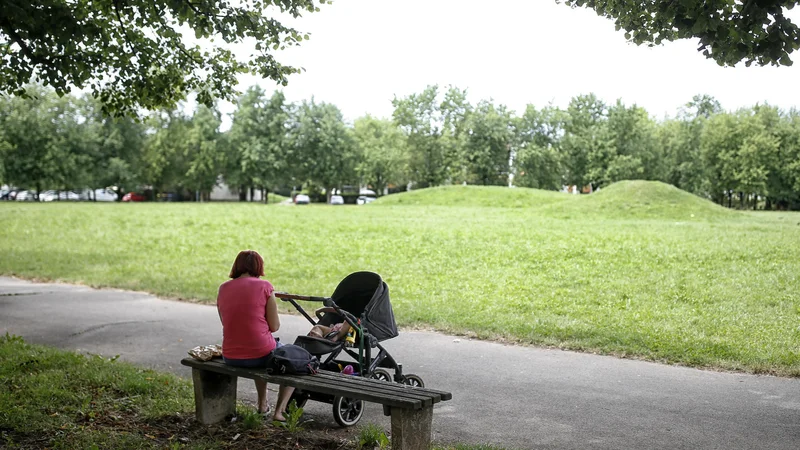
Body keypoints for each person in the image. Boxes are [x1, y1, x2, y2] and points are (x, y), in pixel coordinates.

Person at [217, 250, 294, 422]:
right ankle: (279, 412)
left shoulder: (223, 288)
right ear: (259, 266)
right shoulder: (265, 287)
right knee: (293, 360)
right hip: (260, 354)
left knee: (262, 350)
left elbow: (227, 322)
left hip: (230, 355)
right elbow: (274, 326)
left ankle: (262, 405)